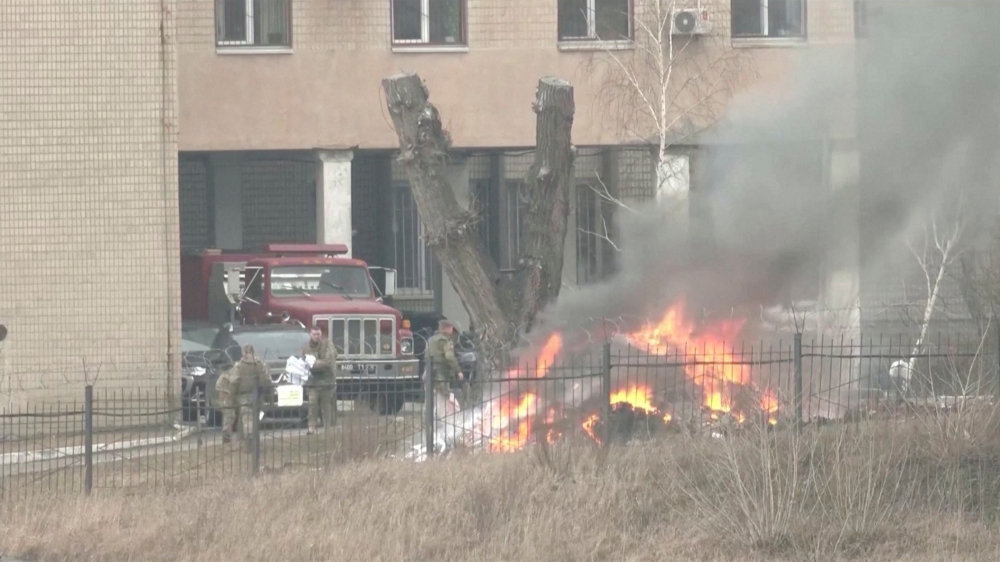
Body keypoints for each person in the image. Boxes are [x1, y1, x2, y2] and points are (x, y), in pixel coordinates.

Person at [215, 344, 271, 446]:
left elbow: (235, 381)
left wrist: (231, 396)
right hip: (257, 395)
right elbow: (267, 380)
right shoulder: (260, 364)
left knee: (244, 418)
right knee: (252, 417)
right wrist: (265, 392)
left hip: (243, 395)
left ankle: (246, 439)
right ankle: (249, 439)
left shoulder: (239, 365)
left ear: (243, 352)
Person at [303, 324, 338, 433]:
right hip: (313, 380)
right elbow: (306, 362)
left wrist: (315, 363)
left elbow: (328, 361)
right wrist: (314, 364)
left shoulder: (327, 345)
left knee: (326, 404)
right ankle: (311, 427)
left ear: (321, 334)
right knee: (312, 403)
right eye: (314, 334)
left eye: (318, 334)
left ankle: (327, 428)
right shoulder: (306, 347)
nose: (316, 336)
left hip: (327, 380)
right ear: (310, 334)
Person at [425, 319, 465, 408]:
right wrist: (458, 371)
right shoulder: (445, 340)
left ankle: (429, 420)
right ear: (448, 328)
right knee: (445, 397)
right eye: (451, 328)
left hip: (428, 372)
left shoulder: (431, 339)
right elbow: (449, 356)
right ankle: (448, 418)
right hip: (441, 372)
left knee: (430, 399)